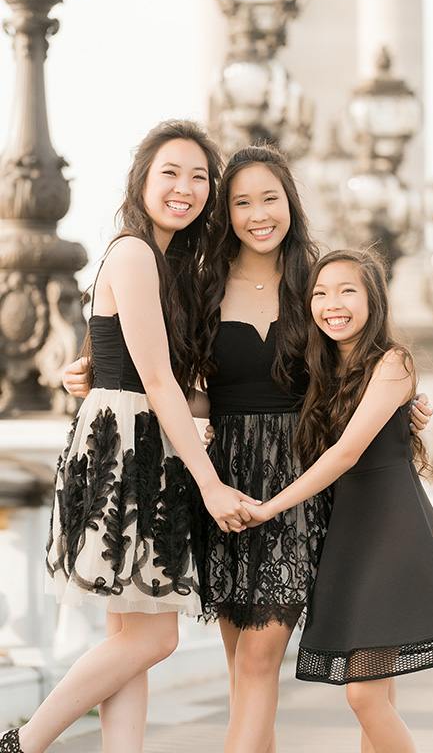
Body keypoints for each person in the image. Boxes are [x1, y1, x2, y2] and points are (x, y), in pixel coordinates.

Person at [61, 144, 433, 753]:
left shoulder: (314, 279)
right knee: (244, 676)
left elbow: (361, 353)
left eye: (271, 198)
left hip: (297, 478)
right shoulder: (197, 282)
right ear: (223, 212)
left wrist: (406, 400)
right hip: (221, 476)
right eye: (241, 201)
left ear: (291, 203)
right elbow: (163, 373)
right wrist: (86, 374)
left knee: (262, 666)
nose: (258, 214)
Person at [0, 119, 258, 753]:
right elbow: (161, 385)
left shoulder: (164, 261)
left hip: (135, 437)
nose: (185, 187)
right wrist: (211, 483)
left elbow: (140, 376)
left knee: (131, 639)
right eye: (170, 172)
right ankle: (25, 741)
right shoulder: (137, 251)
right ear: (141, 178)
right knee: (155, 637)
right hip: (131, 449)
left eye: (200, 177)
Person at [244, 248, 433, 753]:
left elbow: (347, 453)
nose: (333, 303)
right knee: (379, 695)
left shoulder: (393, 362)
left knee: (363, 697)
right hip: (349, 536)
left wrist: (270, 507)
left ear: (373, 299)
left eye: (347, 290)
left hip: (391, 532)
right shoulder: (321, 370)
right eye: (320, 293)